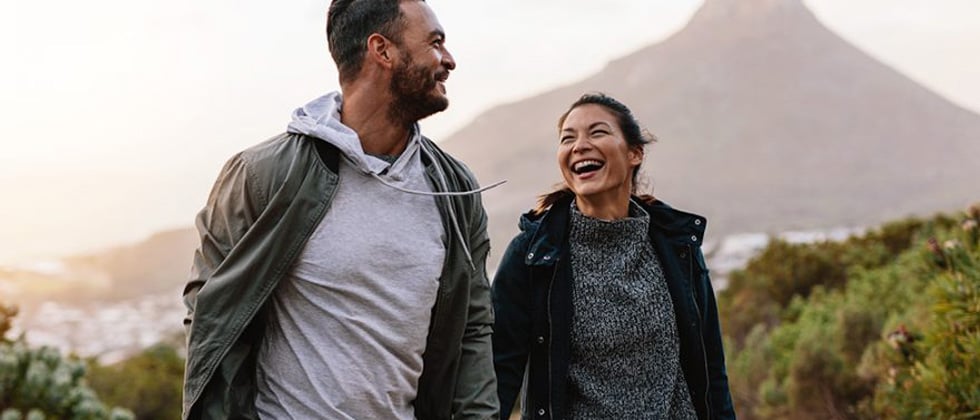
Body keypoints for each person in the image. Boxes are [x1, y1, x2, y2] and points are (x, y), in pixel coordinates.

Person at [181, 1, 502, 418]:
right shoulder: (261, 176)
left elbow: (473, 330)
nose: (449, 60)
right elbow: (210, 315)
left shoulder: (455, 190)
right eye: (435, 43)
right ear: (382, 51)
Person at [491, 93, 736, 419]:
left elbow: (711, 368)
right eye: (568, 138)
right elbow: (498, 372)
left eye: (597, 132)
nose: (579, 145)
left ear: (634, 153)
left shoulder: (678, 247)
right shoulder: (533, 255)